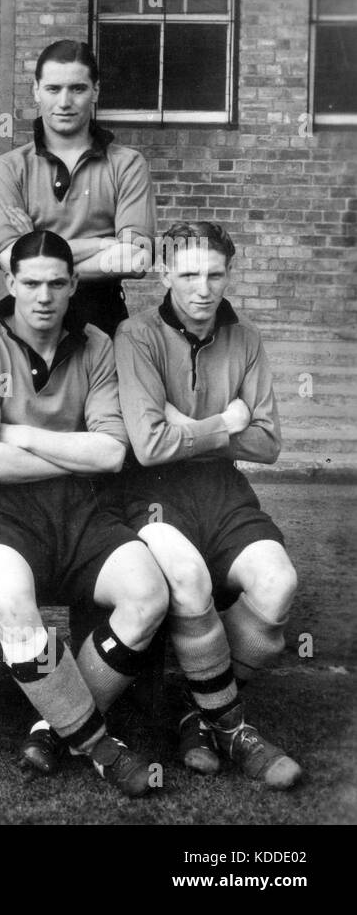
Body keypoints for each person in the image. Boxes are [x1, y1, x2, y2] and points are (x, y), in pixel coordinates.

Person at [0, 229, 168, 798]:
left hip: (82, 509)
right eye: (31, 284)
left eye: (56, 283)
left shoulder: (95, 344)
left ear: (75, 284)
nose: (44, 296)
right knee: (8, 599)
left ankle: (54, 726)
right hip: (2, 512)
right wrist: (71, 454)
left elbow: (110, 452)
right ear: (10, 284)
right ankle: (100, 747)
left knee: (148, 594)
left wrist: (21, 436)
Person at [113, 221, 302, 789]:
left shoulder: (245, 339)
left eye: (215, 274)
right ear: (165, 272)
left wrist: (188, 428)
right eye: (188, 273)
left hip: (222, 488)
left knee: (278, 585)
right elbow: (148, 446)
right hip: (151, 494)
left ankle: (191, 704)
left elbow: (267, 443)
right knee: (188, 577)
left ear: (229, 275)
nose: (202, 288)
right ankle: (229, 724)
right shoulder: (136, 334)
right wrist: (225, 422)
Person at [0, 40, 154, 336]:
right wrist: (105, 244)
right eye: (53, 89)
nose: (64, 102)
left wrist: (37, 247)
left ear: (95, 91)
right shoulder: (8, 168)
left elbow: (136, 258)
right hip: (27, 322)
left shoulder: (128, 165)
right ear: (36, 90)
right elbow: (10, 259)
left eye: (77, 89)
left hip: (102, 319)